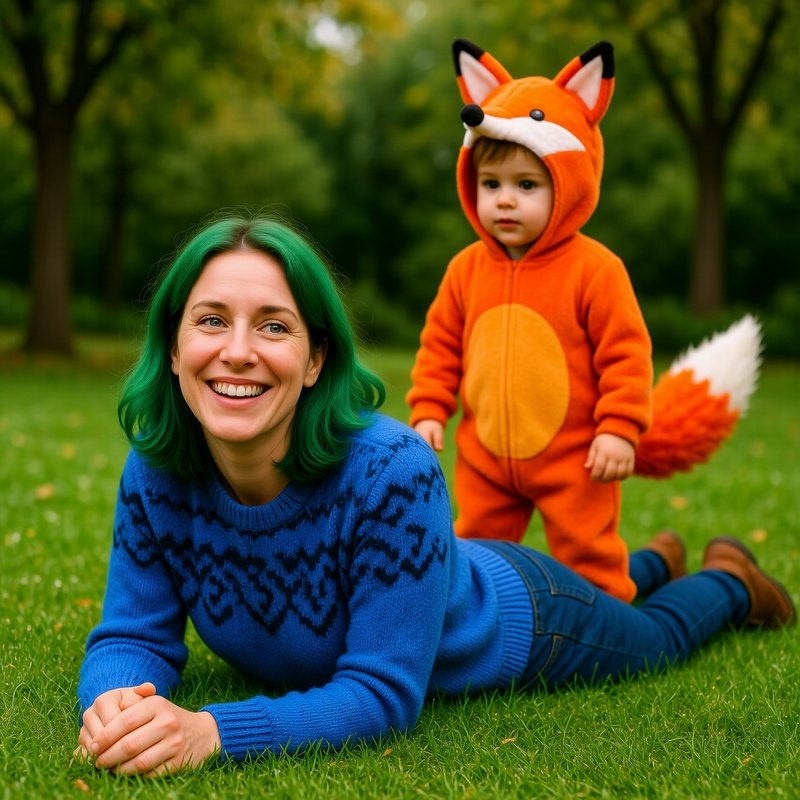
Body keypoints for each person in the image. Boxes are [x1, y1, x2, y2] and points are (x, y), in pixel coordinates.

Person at [76, 213, 795, 777]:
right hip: (441, 570)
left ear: (316, 358)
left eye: (273, 325)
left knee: (656, 642)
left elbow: (384, 694)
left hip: (525, 617)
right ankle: (648, 564)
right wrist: (112, 707)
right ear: (172, 349)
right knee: (619, 592)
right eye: (210, 320)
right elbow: (133, 635)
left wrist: (214, 731)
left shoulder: (389, 471)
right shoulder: (157, 472)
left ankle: (728, 582)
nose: (237, 350)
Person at [407, 39, 655, 602]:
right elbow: (440, 346)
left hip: (575, 457)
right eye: (491, 185)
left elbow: (626, 353)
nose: (506, 202)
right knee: (471, 555)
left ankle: (608, 612)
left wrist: (618, 427)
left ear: (566, 185)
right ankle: (475, 611)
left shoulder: (594, 269)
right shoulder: (466, 269)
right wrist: (428, 410)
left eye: (527, 185)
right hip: (486, 456)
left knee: (587, 553)